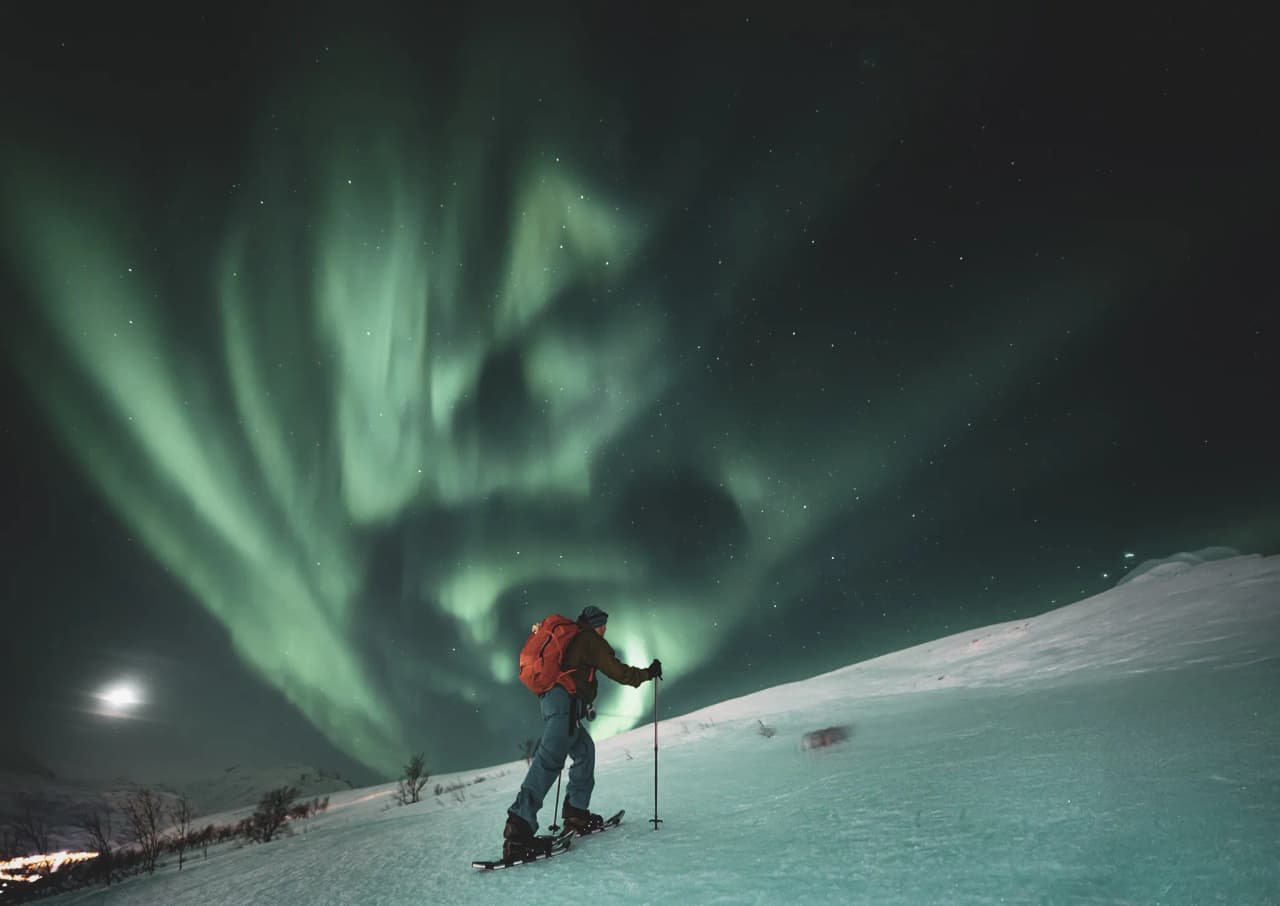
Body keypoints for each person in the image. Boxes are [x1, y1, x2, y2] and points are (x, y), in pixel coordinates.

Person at [503, 605, 662, 859]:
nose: (605, 628)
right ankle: (518, 830)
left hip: (560, 704)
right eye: (602, 624)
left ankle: (576, 813)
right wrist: (647, 673)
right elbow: (618, 671)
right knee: (549, 760)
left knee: (584, 750)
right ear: (594, 624)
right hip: (563, 704)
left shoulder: (577, 638)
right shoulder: (589, 639)